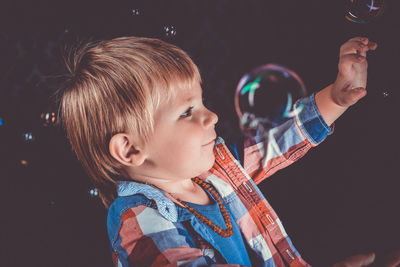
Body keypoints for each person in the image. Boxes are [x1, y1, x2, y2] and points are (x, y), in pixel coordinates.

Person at [57, 35, 393, 266]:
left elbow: (278, 141)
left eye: (200, 102)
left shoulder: (216, 168)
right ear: (130, 150)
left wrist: (335, 97)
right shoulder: (139, 219)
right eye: (187, 112)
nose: (211, 116)